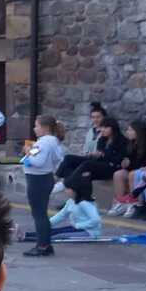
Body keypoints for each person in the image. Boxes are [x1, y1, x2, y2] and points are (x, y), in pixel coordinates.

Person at [22, 115, 67, 257]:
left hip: (37, 179)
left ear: (45, 128)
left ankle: (42, 245)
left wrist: (27, 153)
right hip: (45, 177)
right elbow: (57, 159)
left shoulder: (44, 142)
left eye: (37, 126)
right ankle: (45, 243)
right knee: (41, 212)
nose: (34, 129)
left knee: (39, 214)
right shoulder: (53, 141)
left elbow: (38, 162)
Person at [24, 174, 102, 242]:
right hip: (76, 228)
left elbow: (96, 219)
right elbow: (61, 216)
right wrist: (46, 224)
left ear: (76, 190)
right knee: (51, 231)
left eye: (67, 188)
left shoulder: (85, 203)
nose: (65, 190)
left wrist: (79, 225)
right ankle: (26, 235)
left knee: (58, 235)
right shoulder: (70, 201)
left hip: (89, 232)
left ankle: (26, 238)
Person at [55, 104, 111, 183]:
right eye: (93, 117)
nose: (95, 120)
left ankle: (59, 179)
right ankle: (68, 180)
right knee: (68, 161)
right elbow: (86, 147)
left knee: (69, 159)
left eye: (98, 117)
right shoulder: (91, 131)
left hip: (98, 161)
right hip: (88, 157)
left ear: (104, 117)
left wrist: (97, 154)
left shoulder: (106, 133)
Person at [109, 119, 146, 216]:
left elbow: (143, 163)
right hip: (132, 169)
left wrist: (129, 163)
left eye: (130, 130)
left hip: (142, 171)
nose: (127, 132)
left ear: (138, 132)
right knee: (118, 174)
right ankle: (121, 203)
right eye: (128, 130)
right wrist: (124, 162)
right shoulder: (130, 144)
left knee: (132, 174)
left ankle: (134, 203)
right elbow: (125, 159)